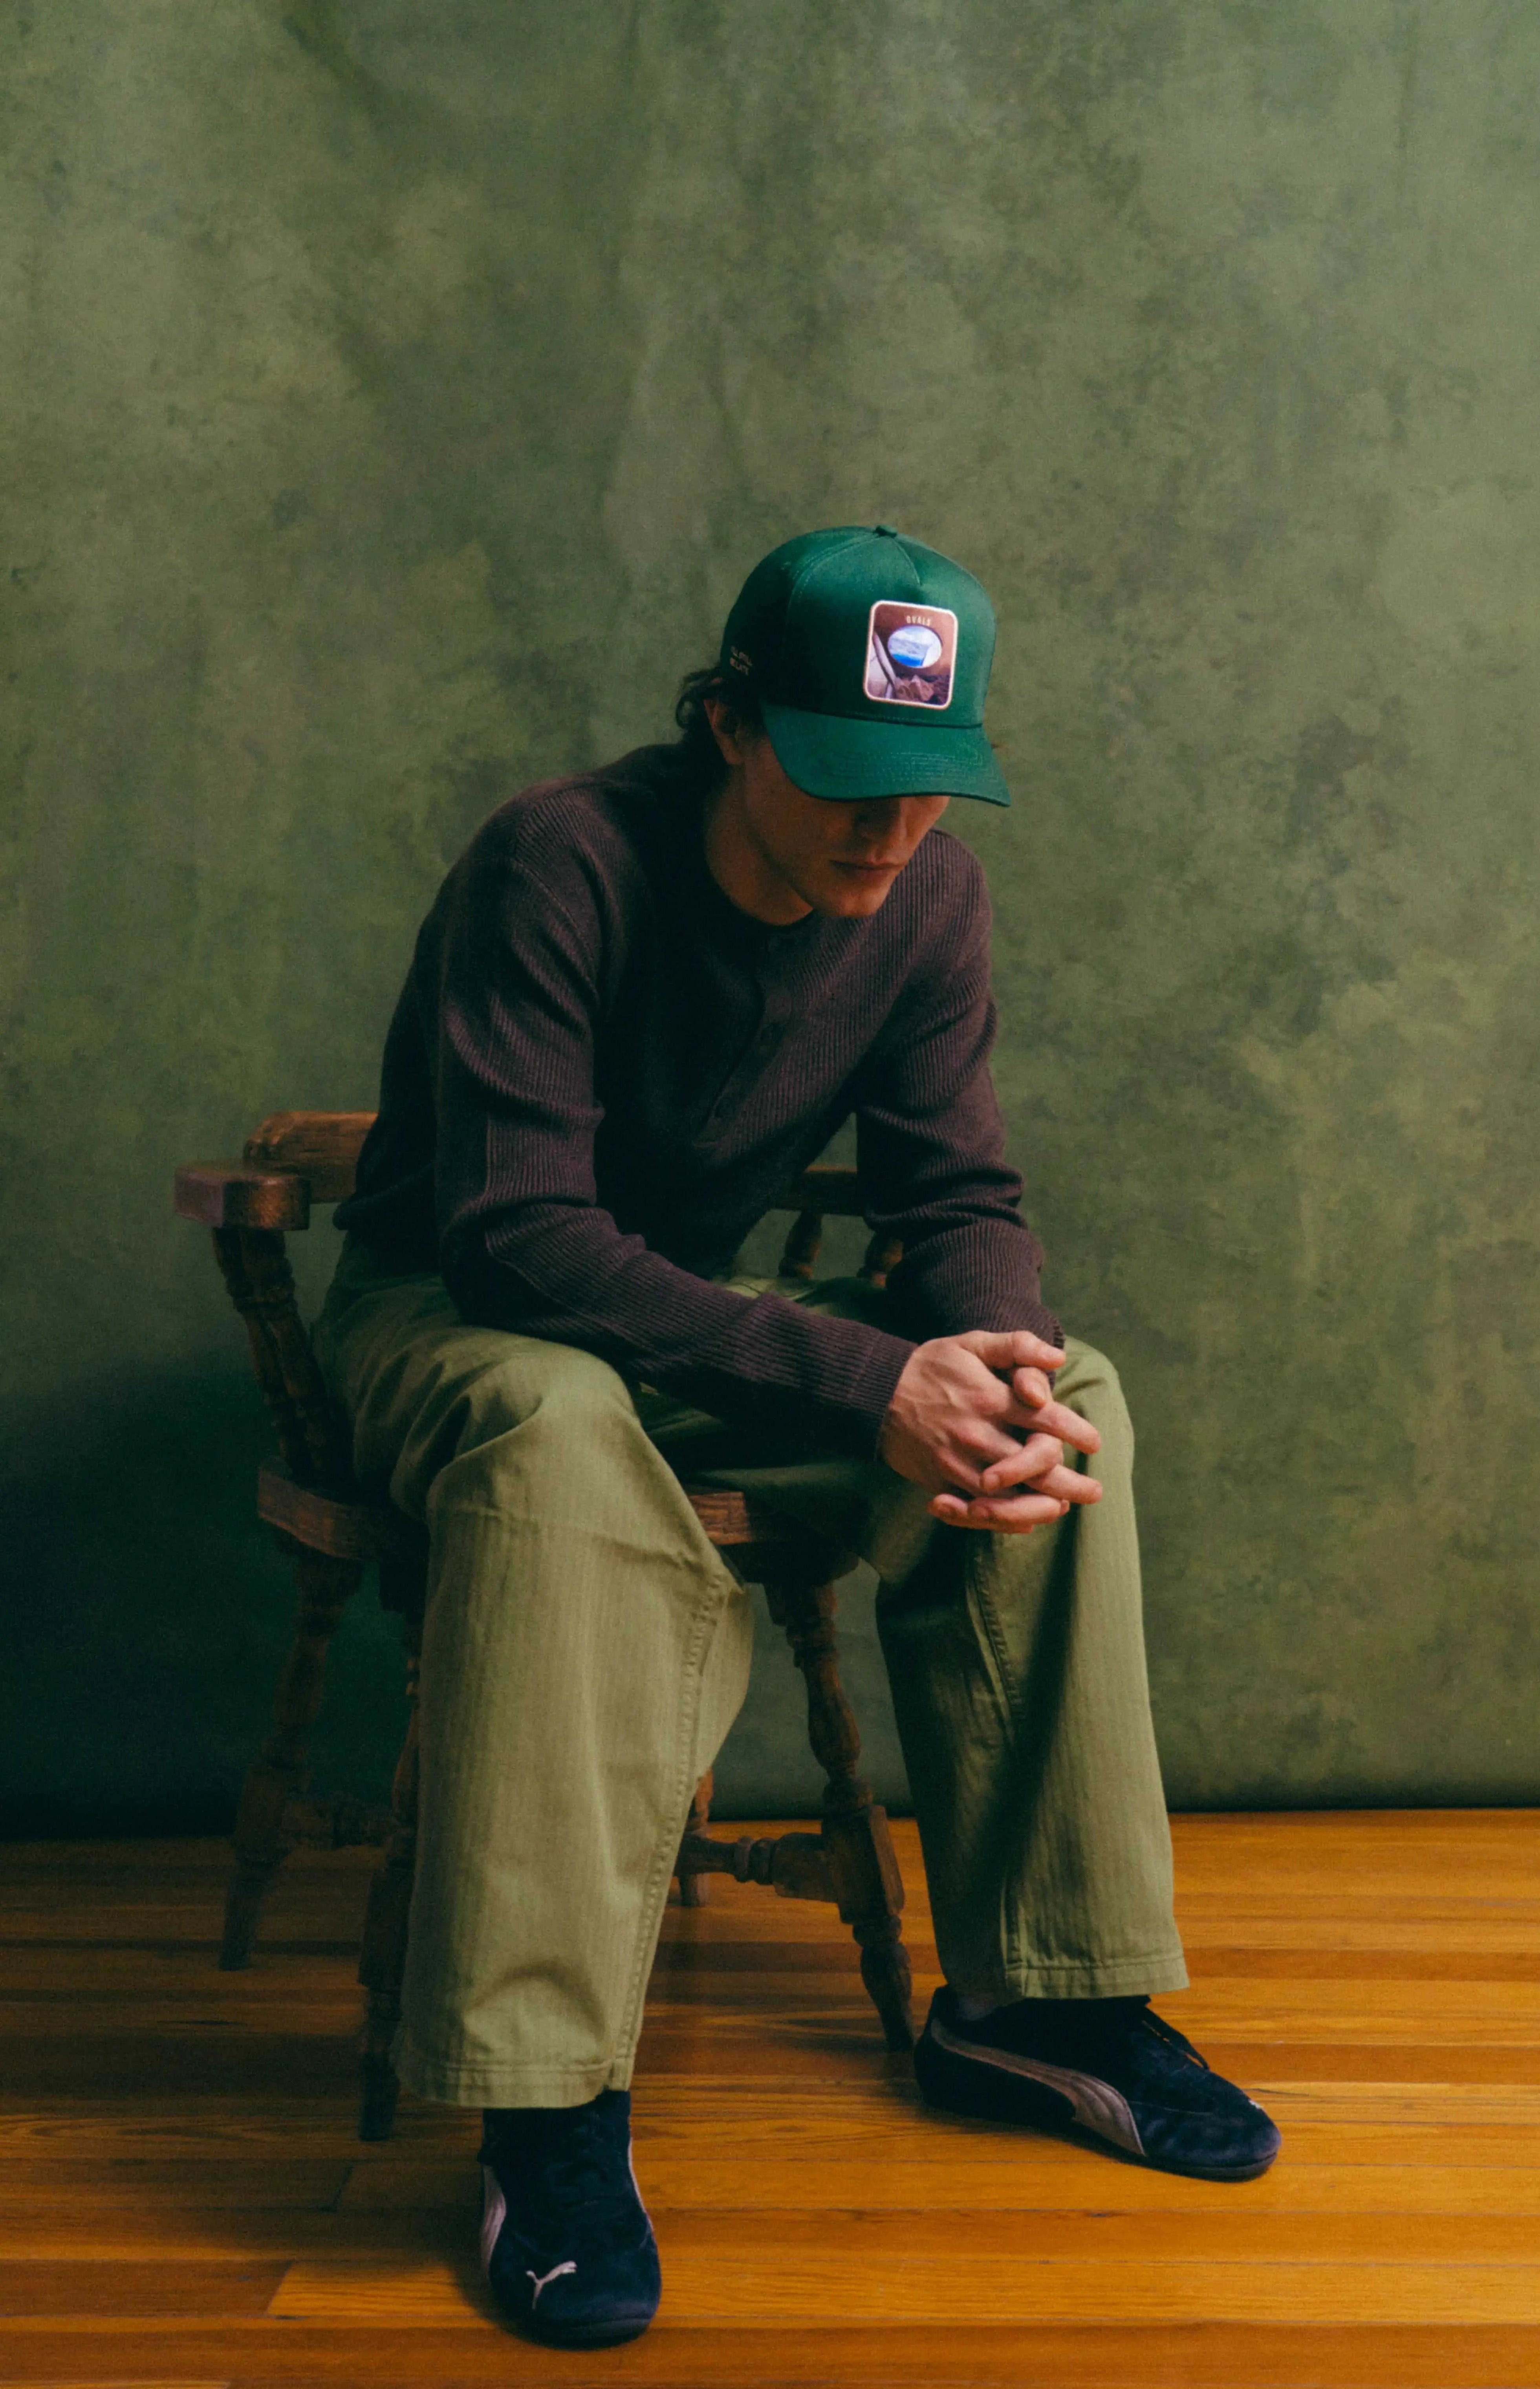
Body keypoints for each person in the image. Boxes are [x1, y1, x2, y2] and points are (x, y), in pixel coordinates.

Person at [315, 524, 1280, 2351]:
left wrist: (989, 1359)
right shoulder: (559, 860)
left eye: (928, 782)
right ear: (731, 724)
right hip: (454, 1313)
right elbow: (516, 1236)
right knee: (557, 1427)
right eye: (843, 775)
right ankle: (546, 2106)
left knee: (1067, 1393)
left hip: (677, 1319)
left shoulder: (931, 900)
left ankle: (1041, 2002)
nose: (888, 826)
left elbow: (957, 1187)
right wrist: (859, 1383)